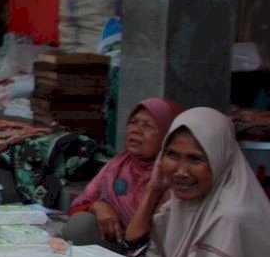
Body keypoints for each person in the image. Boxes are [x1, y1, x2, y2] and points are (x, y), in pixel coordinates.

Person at [126, 108, 270, 257]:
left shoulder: (232, 217)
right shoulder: (178, 207)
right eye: (172, 155)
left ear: (220, 160)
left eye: (196, 159)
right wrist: (153, 190)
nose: (181, 171)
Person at [62, 99, 182, 248]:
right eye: (133, 122)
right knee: (80, 225)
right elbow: (76, 207)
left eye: (148, 126)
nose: (136, 130)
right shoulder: (118, 166)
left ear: (168, 135)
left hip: (156, 253)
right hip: (119, 245)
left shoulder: (177, 174)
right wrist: (97, 206)